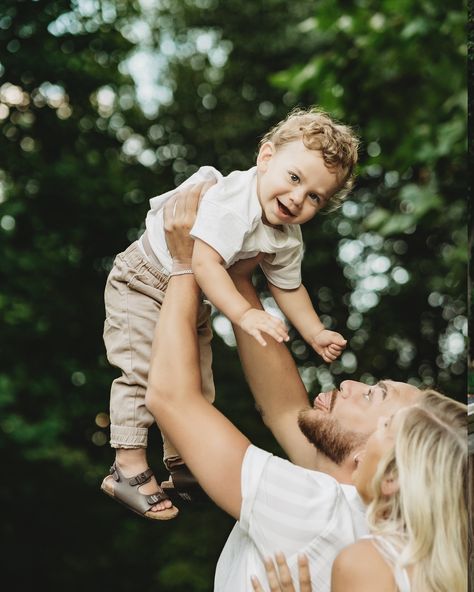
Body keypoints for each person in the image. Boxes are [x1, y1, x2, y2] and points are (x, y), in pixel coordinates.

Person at [143, 182, 429, 591]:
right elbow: (282, 407)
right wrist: (241, 280)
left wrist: (186, 264)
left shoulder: (320, 509)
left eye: (372, 395)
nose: (349, 383)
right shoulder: (351, 505)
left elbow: (170, 396)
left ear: (375, 458)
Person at [101, 106, 359, 519]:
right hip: (143, 281)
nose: (297, 199)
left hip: (192, 292)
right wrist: (244, 314)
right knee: (142, 371)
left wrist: (313, 332)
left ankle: (182, 462)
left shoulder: (286, 236)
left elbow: (287, 286)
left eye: (315, 197)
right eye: (294, 178)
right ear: (266, 157)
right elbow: (201, 263)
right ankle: (127, 465)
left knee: (197, 374)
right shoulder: (234, 202)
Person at [251, 391, 467, 592]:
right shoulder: (446, 570)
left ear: (390, 477)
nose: (380, 422)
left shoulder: (366, 562)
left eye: (386, 425)